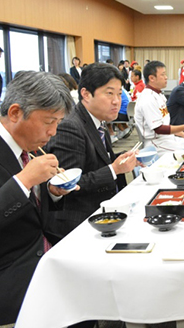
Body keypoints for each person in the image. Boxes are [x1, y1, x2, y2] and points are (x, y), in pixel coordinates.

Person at [0, 71, 74, 327]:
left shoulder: (26, 148)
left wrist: (50, 192)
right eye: (49, 121)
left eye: (58, 122)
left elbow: (28, 210)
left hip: (39, 254)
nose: (53, 132)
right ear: (15, 112)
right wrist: (25, 181)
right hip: (0, 275)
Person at [45, 63, 140, 239]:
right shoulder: (70, 127)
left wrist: (123, 159)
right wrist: (115, 169)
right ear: (86, 94)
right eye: (109, 93)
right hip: (79, 222)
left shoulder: (97, 121)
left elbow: (98, 162)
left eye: (119, 94)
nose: (116, 101)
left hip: (104, 209)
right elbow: (69, 184)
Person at [135, 61, 184, 153]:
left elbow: (165, 124)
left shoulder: (159, 95)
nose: (166, 77)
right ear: (152, 78)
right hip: (156, 143)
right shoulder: (148, 98)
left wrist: (183, 134)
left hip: (167, 138)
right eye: (163, 75)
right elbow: (159, 129)